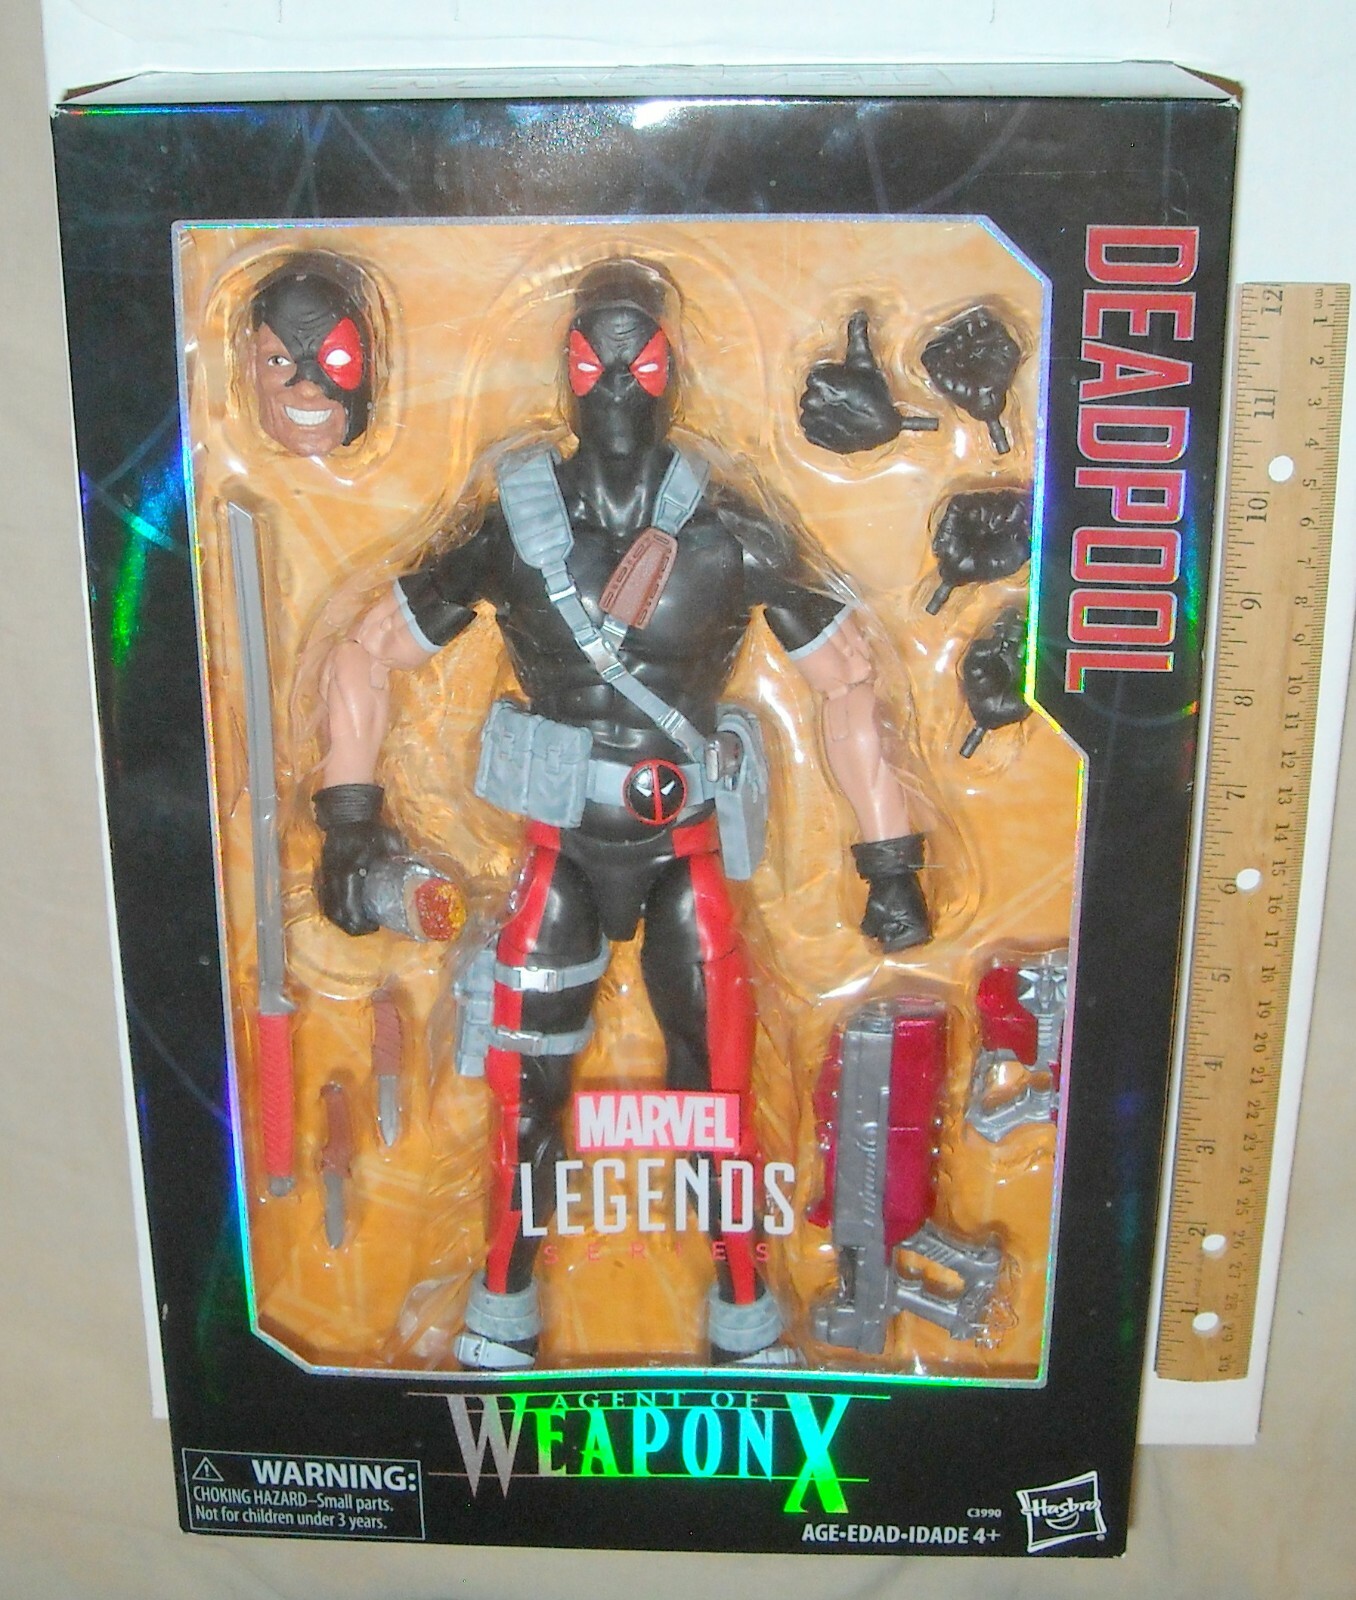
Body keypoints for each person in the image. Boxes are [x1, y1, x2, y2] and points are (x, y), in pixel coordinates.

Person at [313, 258, 932, 1369]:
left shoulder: (732, 533)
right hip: (557, 849)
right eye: (591, 361)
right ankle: (502, 1302)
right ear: (564, 371)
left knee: (718, 1091)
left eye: (635, 362)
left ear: (670, 369)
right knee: (525, 1093)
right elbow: (365, 650)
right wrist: (349, 819)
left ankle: (746, 1310)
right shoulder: (513, 525)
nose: (611, 385)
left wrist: (889, 858)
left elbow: (850, 684)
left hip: (684, 850)